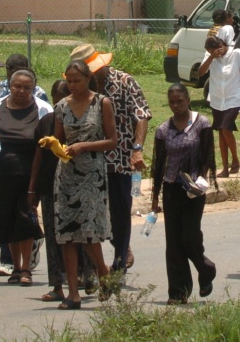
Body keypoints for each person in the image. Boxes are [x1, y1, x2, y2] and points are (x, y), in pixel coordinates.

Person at [69, 43, 150, 275]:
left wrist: (137, 148)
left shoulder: (124, 81)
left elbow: (142, 114)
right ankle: (109, 255)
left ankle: (120, 259)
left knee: (120, 211)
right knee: (93, 212)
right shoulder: (80, 89)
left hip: (121, 158)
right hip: (90, 159)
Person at [51, 59, 115, 310]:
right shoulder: (60, 107)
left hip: (92, 175)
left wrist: (84, 146)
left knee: (89, 233)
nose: (73, 85)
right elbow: (58, 139)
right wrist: (54, 146)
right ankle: (73, 293)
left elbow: (112, 141)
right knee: (67, 234)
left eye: (77, 80)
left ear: (88, 78)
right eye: (69, 81)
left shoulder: (102, 103)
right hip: (67, 174)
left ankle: (103, 271)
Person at [29, 79, 96, 303]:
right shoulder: (47, 121)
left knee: (82, 234)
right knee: (53, 236)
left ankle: (88, 276)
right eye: (57, 98)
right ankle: (57, 285)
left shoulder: (82, 120)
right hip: (49, 187)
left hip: (79, 183)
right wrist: (32, 189)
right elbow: (37, 157)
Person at [150, 83, 217, 305]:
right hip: (171, 188)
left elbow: (208, 157)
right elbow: (158, 166)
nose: (176, 105)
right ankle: (178, 292)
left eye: (180, 101)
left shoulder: (202, 124)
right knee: (173, 241)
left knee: (189, 235)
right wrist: (154, 198)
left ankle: (204, 268)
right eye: (172, 102)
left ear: (188, 100)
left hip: (194, 190)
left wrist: (201, 181)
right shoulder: (162, 130)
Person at [0, 68, 50, 285]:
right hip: (1, 174)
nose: (21, 91)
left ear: (33, 89)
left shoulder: (42, 109)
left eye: (27, 87)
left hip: (29, 174)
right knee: (7, 220)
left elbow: (48, 144)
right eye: (17, 86)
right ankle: (15, 266)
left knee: (24, 220)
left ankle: (26, 269)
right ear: (9, 86)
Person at [198, 36, 240, 178]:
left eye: (215, 50)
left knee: (226, 128)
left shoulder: (236, 53)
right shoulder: (210, 57)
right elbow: (201, 72)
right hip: (217, 99)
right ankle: (225, 168)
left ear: (221, 45)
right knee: (220, 132)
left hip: (234, 98)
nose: (214, 53)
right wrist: (211, 57)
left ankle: (235, 160)